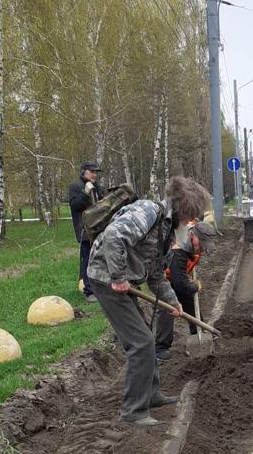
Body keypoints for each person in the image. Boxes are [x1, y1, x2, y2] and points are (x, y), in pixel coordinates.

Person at [87, 196, 182, 426]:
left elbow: (156, 273)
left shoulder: (165, 228)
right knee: (141, 342)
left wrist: (173, 302)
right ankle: (133, 411)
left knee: (145, 336)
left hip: (123, 279)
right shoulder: (149, 212)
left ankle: (151, 394)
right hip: (105, 277)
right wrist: (119, 278)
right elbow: (113, 236)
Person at [155, 176, 216, 360]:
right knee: (168, 308)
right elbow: (180, 282)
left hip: (178, 275)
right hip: (164, 278)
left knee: (189, 303)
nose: (202, 248)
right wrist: (194, 286)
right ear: (193, 236)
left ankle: (199, 334)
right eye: (201, 244)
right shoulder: (179, 248)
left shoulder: (194, 237)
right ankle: (160, 349)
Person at [69, 161, 103, 303]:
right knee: (87, 260)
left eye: (96, 172)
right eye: (92, 171)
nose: (95, 174)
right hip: (84, 230)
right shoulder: (75, 186)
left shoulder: (97, 186)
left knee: (100, 259)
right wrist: (85, 192)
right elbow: (75, 205)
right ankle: (88, 291)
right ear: (84, 171)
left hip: (98, 229)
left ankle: (99, 288)